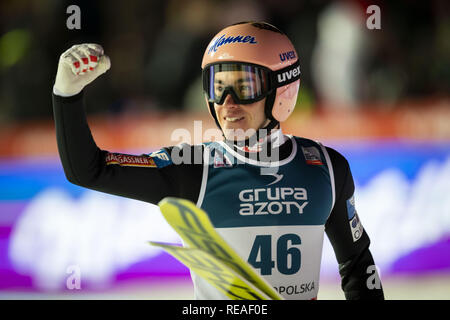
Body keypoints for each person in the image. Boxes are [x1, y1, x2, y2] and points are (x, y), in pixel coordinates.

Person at [52, 21, 384, 300]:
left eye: (244, 86)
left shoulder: (327, 167)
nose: (227, 103)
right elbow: (88, 170)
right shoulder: (192, 168)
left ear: (282, 90)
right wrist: (67, 95)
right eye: (217, 87)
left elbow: (357, 263)